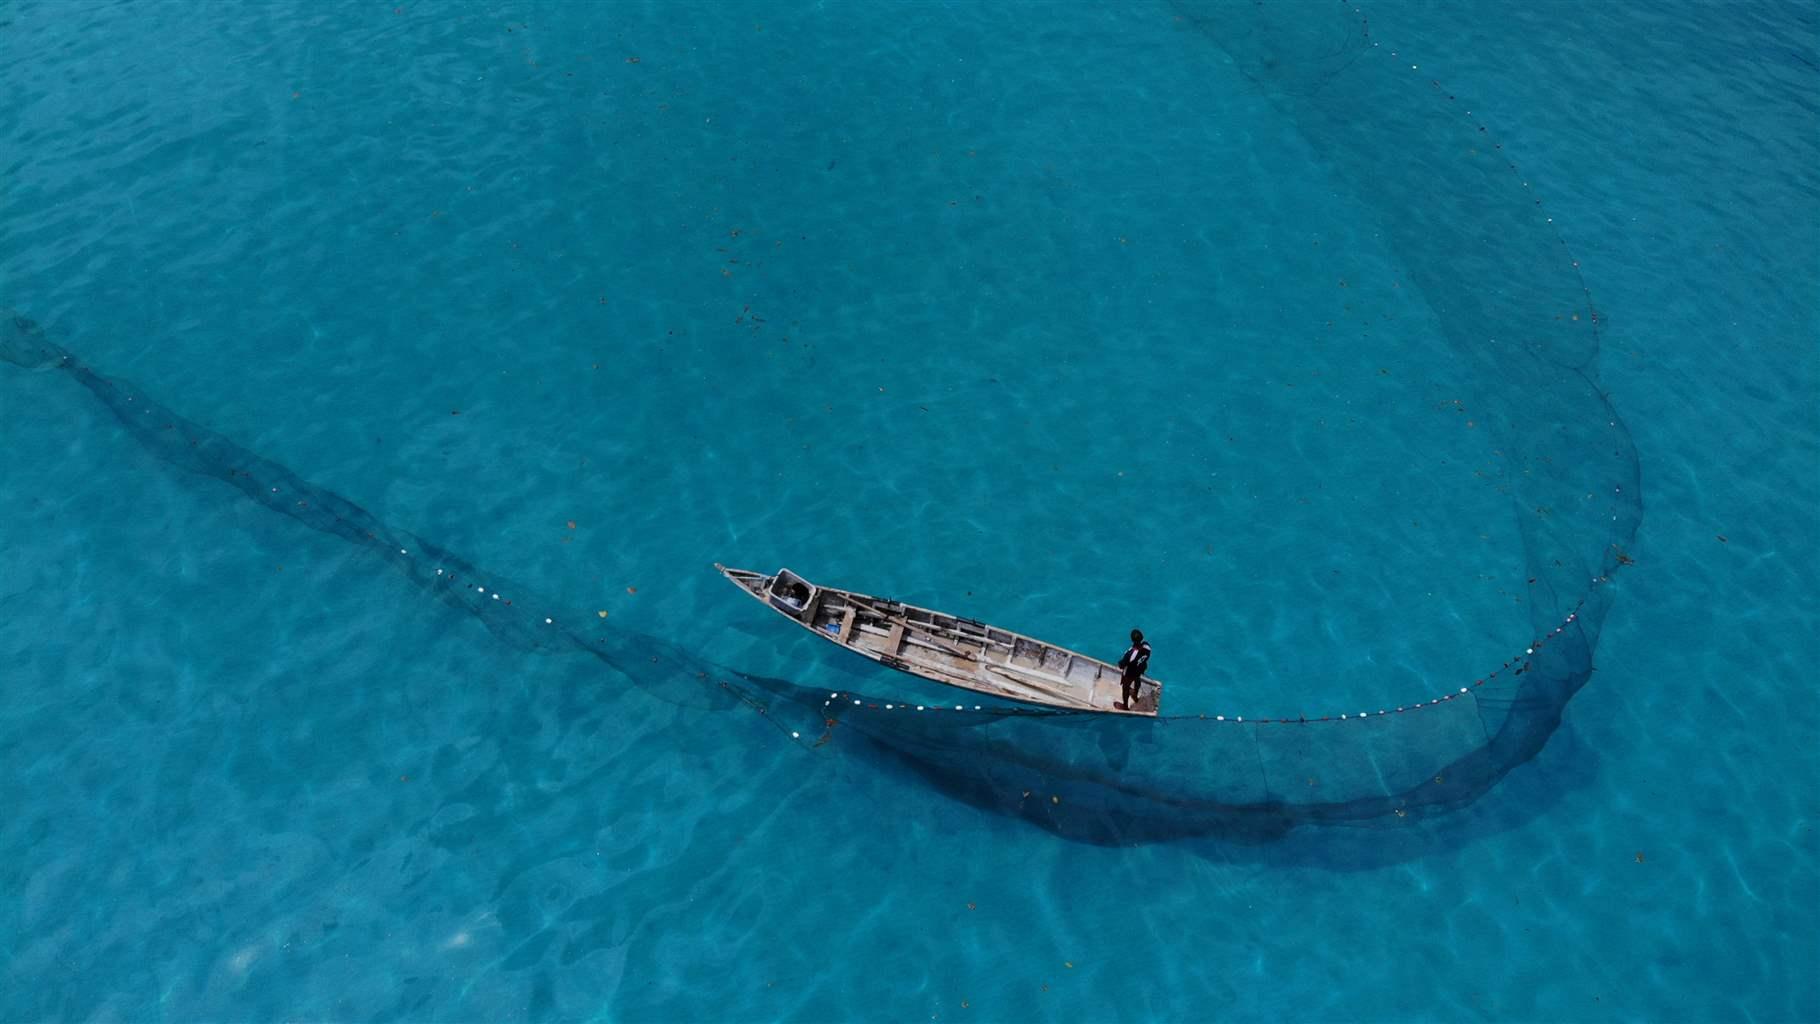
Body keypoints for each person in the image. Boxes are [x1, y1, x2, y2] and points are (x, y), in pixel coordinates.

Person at [1115, 629, 1150, 711]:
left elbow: (1122, 665)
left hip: (1129, 673)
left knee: (1125, 687)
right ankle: (1135, 695)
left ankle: (1125, 706)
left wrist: (1120, 663)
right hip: (1140, 669)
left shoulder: (1130, 653)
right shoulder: (1147, 646)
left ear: (1132, 640)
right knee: (1137, 679)